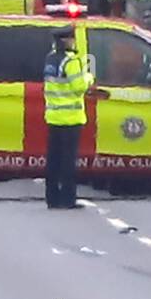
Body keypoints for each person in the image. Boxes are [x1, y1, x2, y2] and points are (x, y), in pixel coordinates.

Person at [43, 24, 92, 209]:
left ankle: (52, 198)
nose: (73, 41)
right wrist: (88, 78)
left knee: (53, 160)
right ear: (66, 40)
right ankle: (68, 199)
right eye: (71, 38)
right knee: (68, 162)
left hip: (54, 117)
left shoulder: (51, 59)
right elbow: (79, 86)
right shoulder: (71, 62)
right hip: (70, 118)